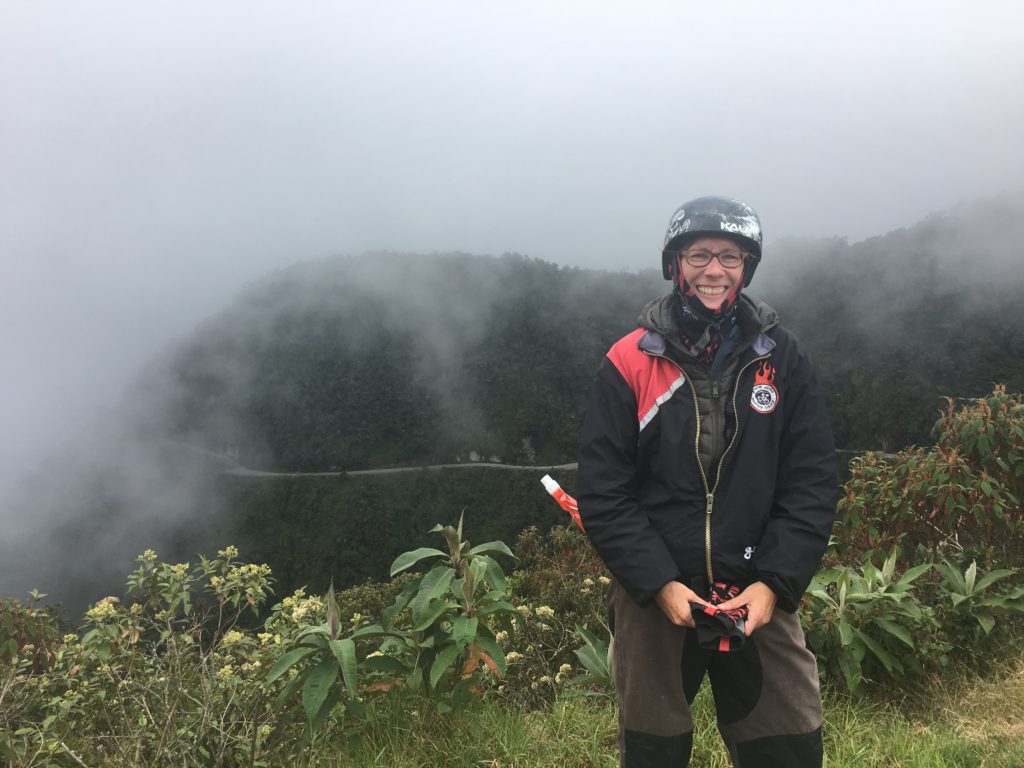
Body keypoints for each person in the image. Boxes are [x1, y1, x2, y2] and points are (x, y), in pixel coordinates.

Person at [577, 196, 838, 768]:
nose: (714, 271)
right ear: (674, 264)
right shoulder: (629, 361)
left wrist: (774, 585)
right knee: (653, 748)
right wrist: (660, 583)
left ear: (747, 268)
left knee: (787, 741)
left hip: (758, 590)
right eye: (699, 255)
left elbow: (812, 481)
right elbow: (604, 490)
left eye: (731, 257)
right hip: (657, 595)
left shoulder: (784, 358)